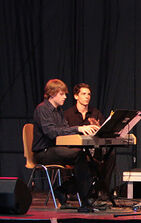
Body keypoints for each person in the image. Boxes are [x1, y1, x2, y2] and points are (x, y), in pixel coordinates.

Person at [32, 79, 99, 212]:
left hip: (56, 149)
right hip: (44, 152)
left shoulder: (58, 111)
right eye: (62, 94)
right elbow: (51, 133)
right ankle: (85, 202)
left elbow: (64, 129)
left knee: (91, 161)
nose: (65, 97)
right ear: (52, 94)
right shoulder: (42, 109)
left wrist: (84, 132)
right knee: (79, 155)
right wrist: (78, 129)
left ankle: (63, 190)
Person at [63, 83, 115, 204]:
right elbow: (64, 133)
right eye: (83, 94)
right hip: (75, 148)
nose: (87, 97)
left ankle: (102, 189)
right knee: (79, 155)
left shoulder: (95, 113)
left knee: (110, 155)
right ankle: (74, 190)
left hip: (93, 148)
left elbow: (104, 131)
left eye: (89, 94)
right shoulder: (68, 114)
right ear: (76, 96)